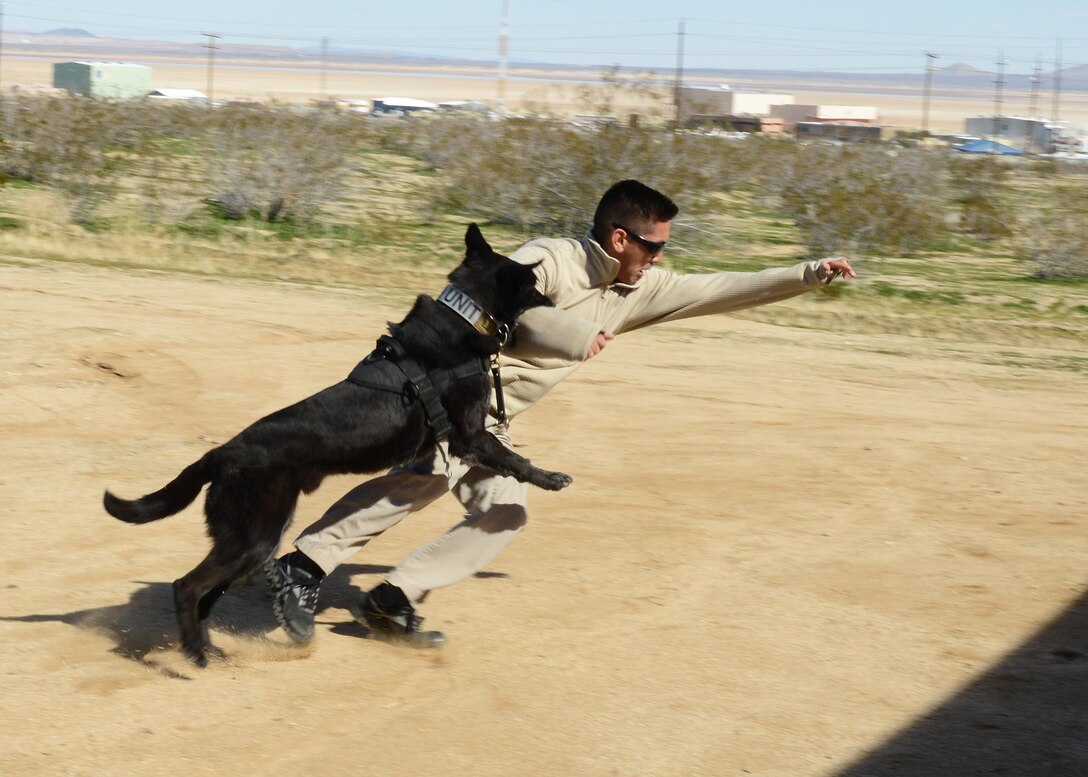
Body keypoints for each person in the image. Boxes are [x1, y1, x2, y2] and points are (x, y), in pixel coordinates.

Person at [266, 179, 856, 647]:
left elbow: (721, 287)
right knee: (430, 474)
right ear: (621, 238)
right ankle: (305, 566)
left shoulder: (639, 290)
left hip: (493, 421)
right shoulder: (548, 260)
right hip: (450, 394)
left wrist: (808, 275)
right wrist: (573, 334)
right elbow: (501, 310)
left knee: (504, 513)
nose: (660, 258)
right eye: (654, 246)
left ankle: (393, 600)